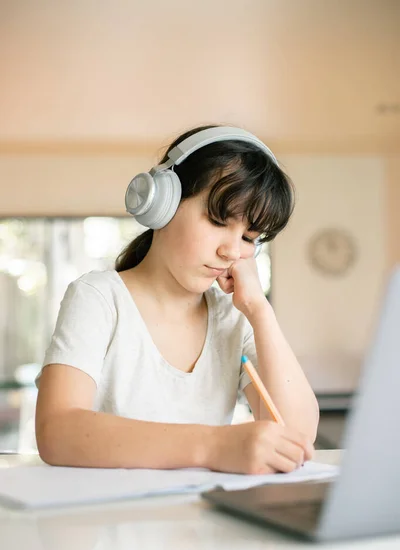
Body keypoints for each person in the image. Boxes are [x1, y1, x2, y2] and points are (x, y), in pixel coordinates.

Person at [35, 124, 319, 474]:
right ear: (163, 204)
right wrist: (213, 446)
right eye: (217, 220)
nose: (231, 250)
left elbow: (298, 437)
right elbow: (57, 431)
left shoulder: (235, 318)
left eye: (249, 237)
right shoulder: (99, 298)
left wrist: (259, 310)